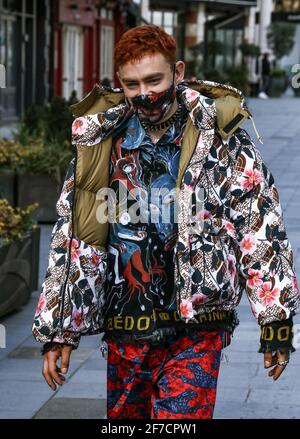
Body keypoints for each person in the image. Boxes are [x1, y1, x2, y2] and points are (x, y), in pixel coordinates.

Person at [32, 25, 300, 419]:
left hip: (197, 327)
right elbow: (74, 239)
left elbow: (260, 227)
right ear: (119, 84)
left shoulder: (220, 139)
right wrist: (59, 329)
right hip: (125, 326)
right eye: (132, 84)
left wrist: (275, 318)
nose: (145, 93)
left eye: (154, 79)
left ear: (178, 72)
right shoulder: (100, 143)